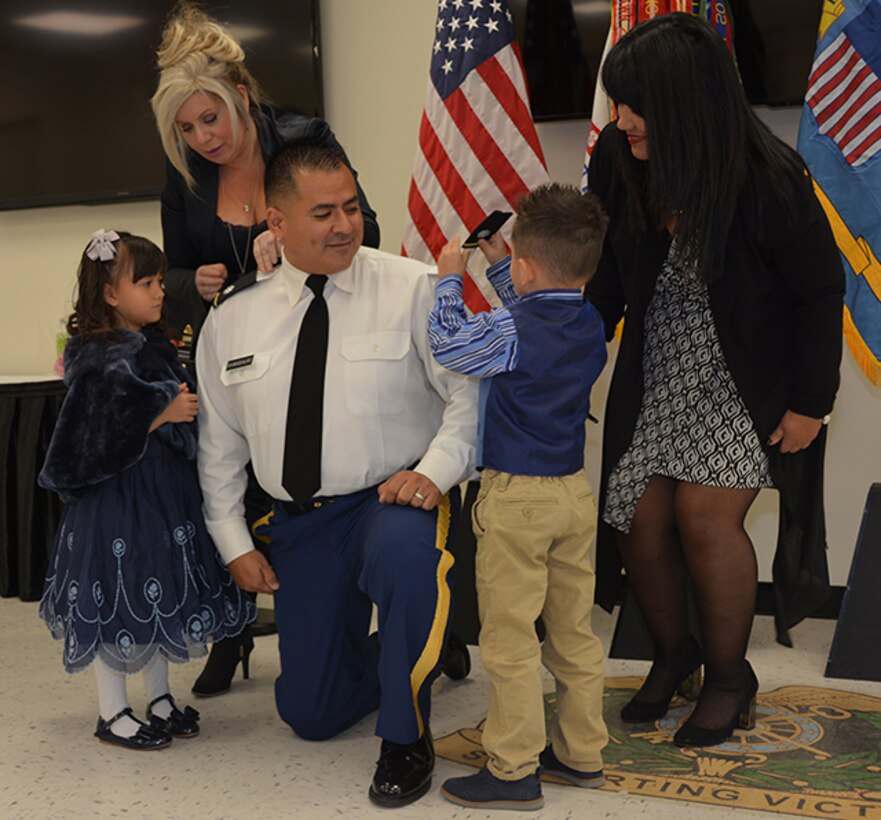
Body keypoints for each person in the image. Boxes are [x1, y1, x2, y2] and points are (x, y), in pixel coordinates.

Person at [586, 13, 845, 748]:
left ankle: (731, 677)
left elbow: (819, 291)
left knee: (703, 516)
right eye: (616, 103)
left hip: (744, 379)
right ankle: (677, 658)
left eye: (634, 104)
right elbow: (607, 272)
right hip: (658, 366)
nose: (620, 120)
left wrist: (809, 404)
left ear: (681, 102)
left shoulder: (767, 177)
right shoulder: (619, 156)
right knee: (636, 514)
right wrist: (571, 354)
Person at [195, 136, 478, 807]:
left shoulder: (412, 287)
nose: (344, 224)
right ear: (277, 221)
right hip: (305, 522)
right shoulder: (232, 321)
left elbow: (468, 397)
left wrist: (434, 473)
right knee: (311, 716)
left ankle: (406, 737)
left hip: (392, 497)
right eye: (322, 213)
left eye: (351, 206)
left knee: (406, 562)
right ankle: (424, 647)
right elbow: (219, 450)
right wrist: (234, 545)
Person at [150, 2, 380, 697]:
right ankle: (232, 633)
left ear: (241, 99)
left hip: (321, 345)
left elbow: (363, 225)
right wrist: (202, 280)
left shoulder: (304, 136)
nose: (201, 137)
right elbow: (173, 273)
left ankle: (403, 623)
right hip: (238, 358)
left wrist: (298, 247)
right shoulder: (188, 173)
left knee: (323, 481)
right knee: (221, 486)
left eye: (209, 118)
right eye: (186, 127)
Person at [426, 184, 610, 811]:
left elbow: (451, 345)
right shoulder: (589, 319)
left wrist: (450, 280)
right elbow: (533, 316)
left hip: (517, 500)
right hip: (572, 495)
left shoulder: (509, 330)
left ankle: (512, 770)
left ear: (528, 268)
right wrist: (503, 263)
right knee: (572, 631)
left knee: (508, 639)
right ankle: (582, 753)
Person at [38, 230, 254, 751]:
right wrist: (157, 416)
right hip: (117, 503)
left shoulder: (151, 343)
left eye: (161, 281)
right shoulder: (97, 357)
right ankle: (113, 712)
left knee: (158, 594)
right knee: (119, 596)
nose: (160, 292)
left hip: (160, 496)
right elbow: (88, 438)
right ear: (111, 294)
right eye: (147, 283)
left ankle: (158, 700)